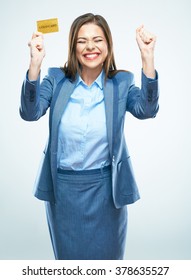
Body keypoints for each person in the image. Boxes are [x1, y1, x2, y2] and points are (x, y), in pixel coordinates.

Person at [20, 13, 159, 260]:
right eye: (82, 41)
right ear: (73, 45)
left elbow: (147, 110)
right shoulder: (56, 78)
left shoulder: (122, 82)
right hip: (63, 192)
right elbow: (30, 113)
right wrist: (35, 65)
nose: (90, 47)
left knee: (108, 264)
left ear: (108, 44)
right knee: (70, 265)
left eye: (97, 40)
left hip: (107, 190)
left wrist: (147, 57)